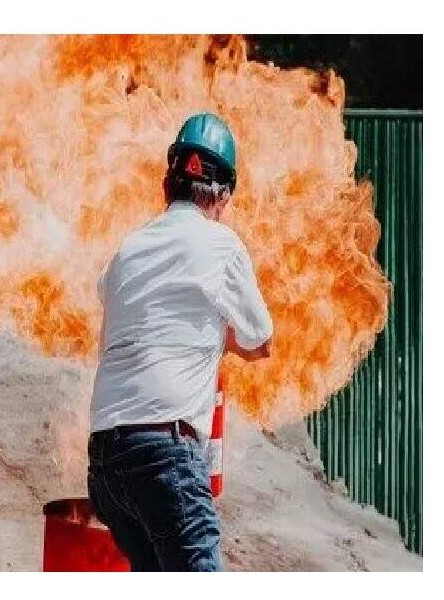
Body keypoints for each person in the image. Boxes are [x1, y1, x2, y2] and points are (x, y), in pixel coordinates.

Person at [87, 113, 273, 571]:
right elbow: (261, 339)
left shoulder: (128, 249)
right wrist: (220, 338)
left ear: (166, 183)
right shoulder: (221, 246)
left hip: (106, 465)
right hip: (165, 455)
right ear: (223, 195)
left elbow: (114, 299)